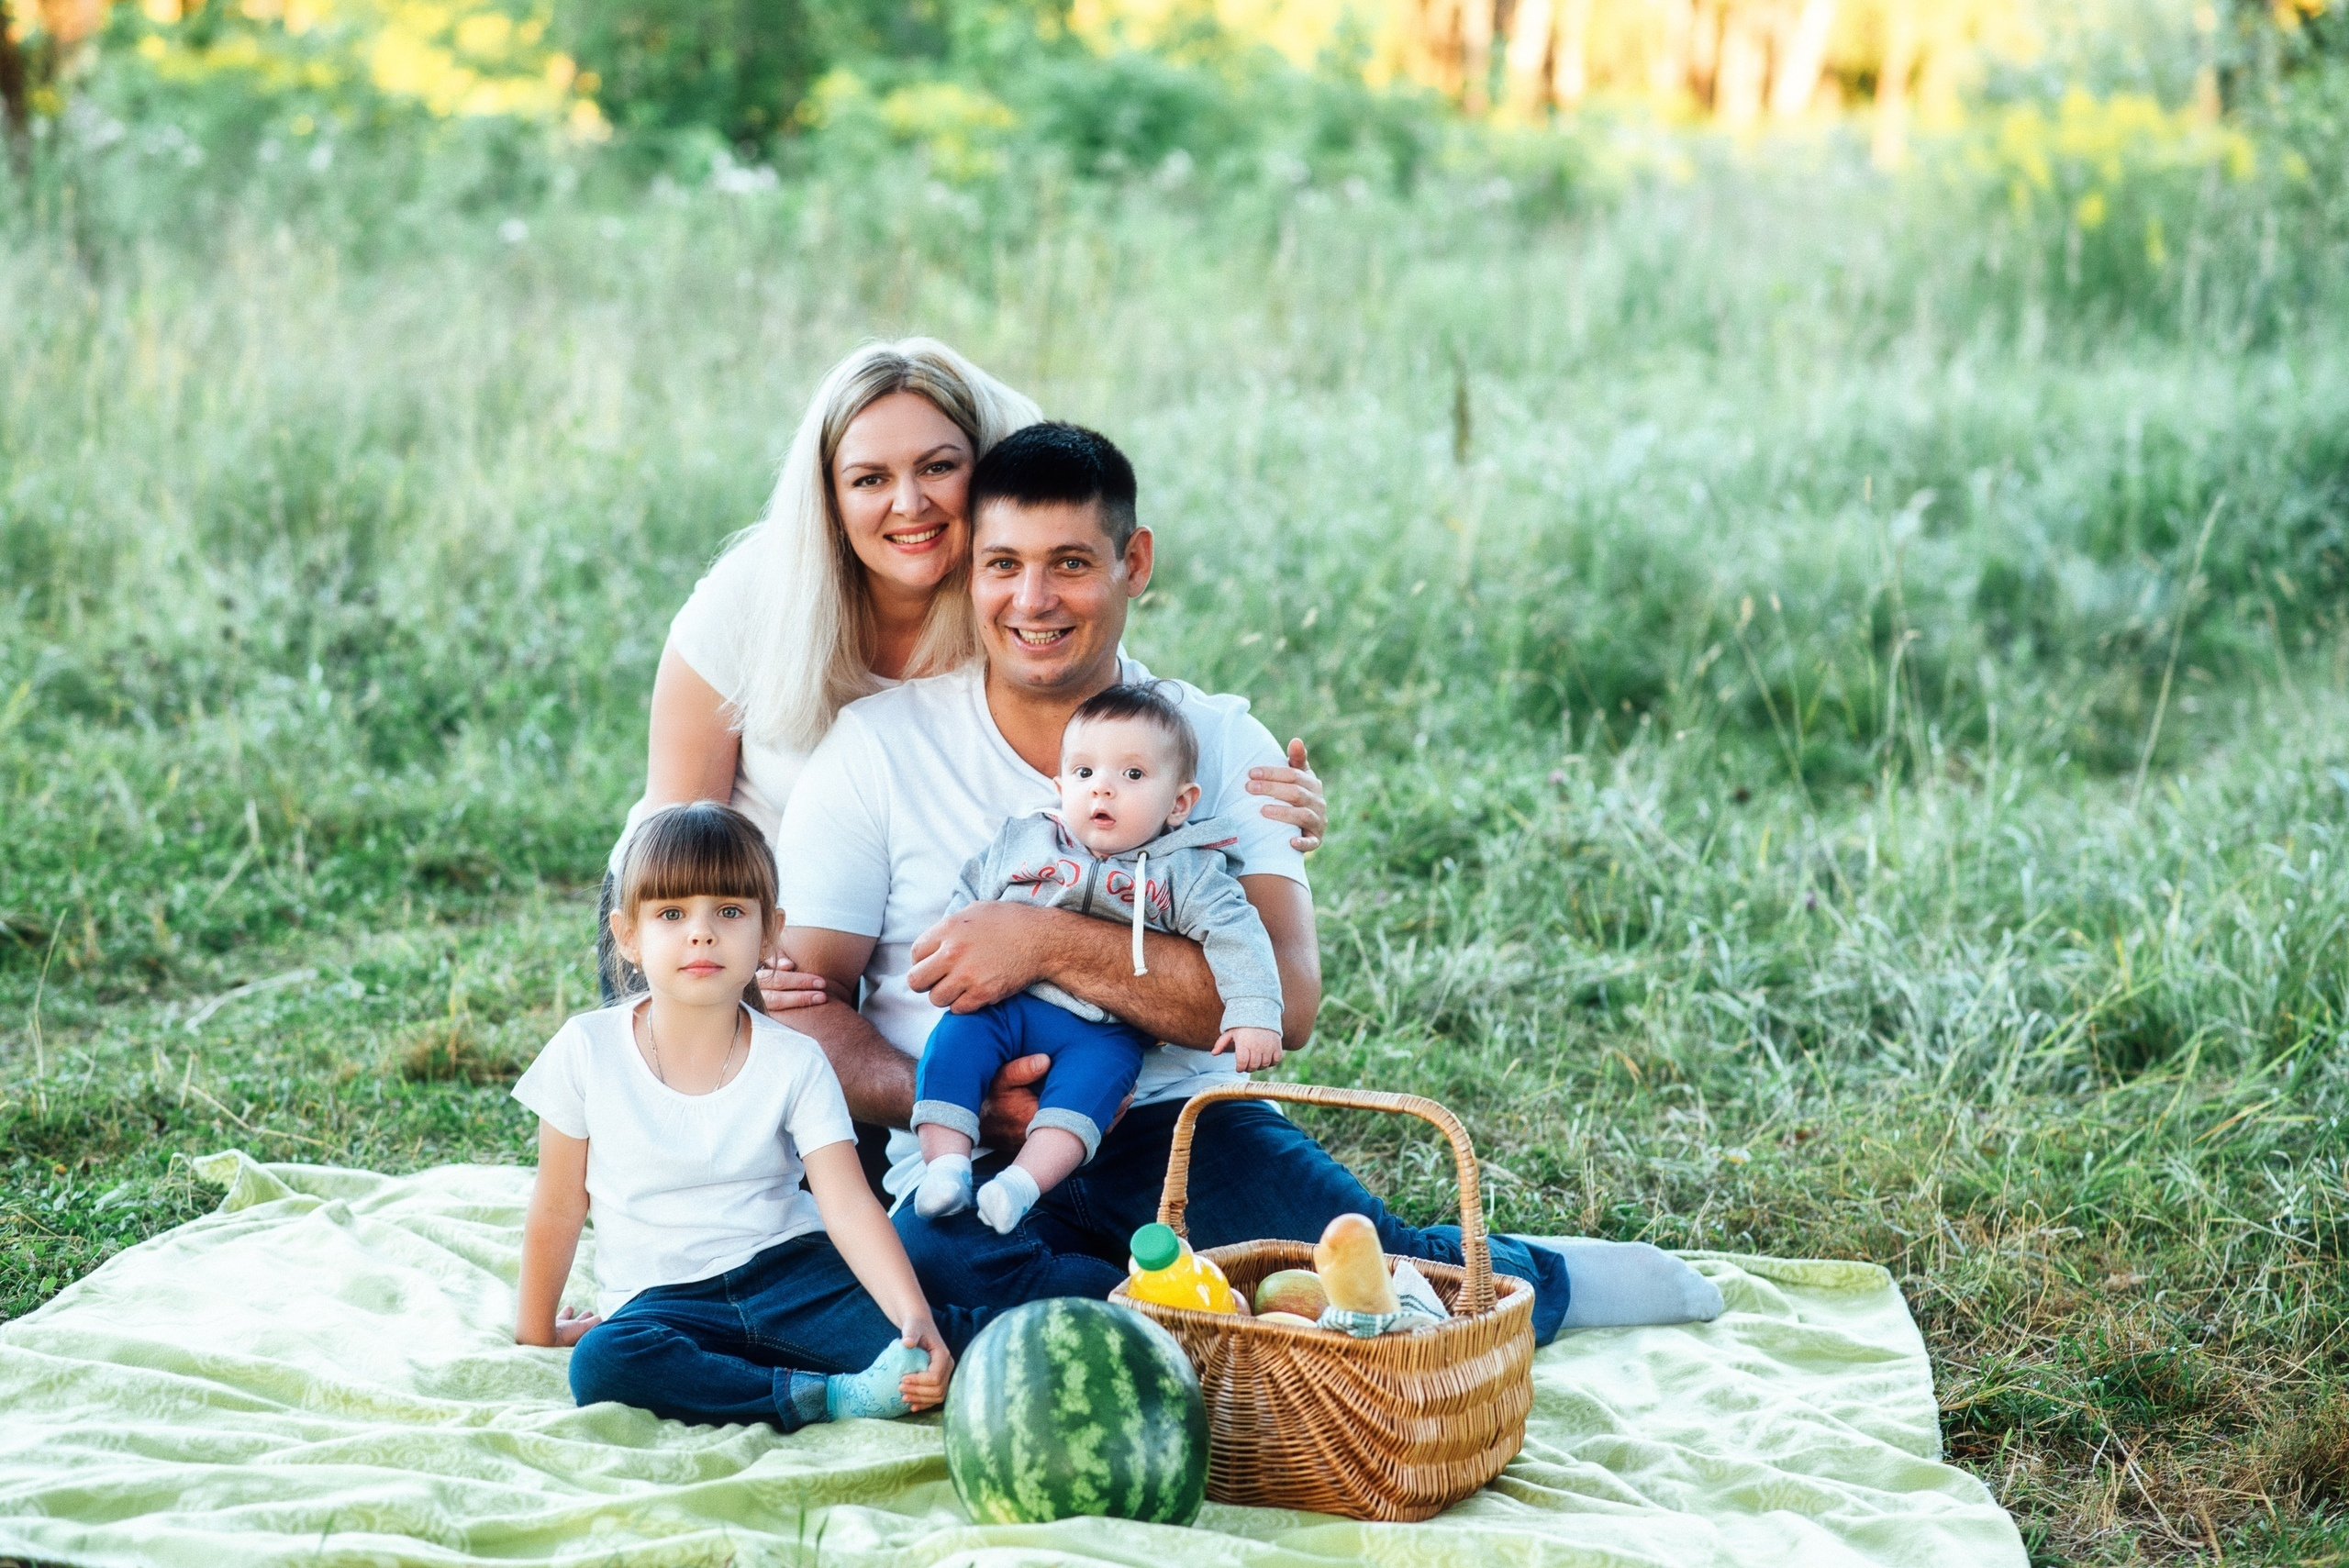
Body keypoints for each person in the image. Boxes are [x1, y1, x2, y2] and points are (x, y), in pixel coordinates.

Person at [774, 421, 1726, 1342]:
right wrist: (965, 1100)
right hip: (966, 1144)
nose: (1034, 598)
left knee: (1376, 1298)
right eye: (1003, 564)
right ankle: (1179, 1325)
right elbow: (808, 1008)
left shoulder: (1220, 744)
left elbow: (1290, 999)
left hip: (1177, 1123)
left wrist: (1044, 939)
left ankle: (1534, 1275)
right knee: (941, 1271)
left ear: (1132, 563)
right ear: (970, 568)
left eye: (1070, 562)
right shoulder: (878, 751)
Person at [597, 338, 1330, 1193]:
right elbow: (680, 836)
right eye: (869, 477)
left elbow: (1103, 682)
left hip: (925, 987)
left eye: (939, 467)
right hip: (709, 913)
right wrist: (750, 955)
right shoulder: (758, 601)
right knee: (744, 1196)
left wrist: (1235, 780)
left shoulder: (1010, 600)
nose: (909, 503)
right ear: (829, 499)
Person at [516, 801, 985, 1429]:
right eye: (672, 913)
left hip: (791, 1276)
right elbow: (557, 1202)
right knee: (604, 1363)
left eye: (730, 912)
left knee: (937, 1349)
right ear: (628, 935)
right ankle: (827, 1395)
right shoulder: (586, 1050)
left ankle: (1093, 1325)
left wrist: (914, 1315)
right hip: (663, 1303)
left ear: (770, 933)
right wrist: (536, 1327)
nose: (702, 933)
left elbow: (846, 1204)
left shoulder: (796, 1058)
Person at [911, 681, 1285, 1235]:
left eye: (1132, 776)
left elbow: (1238, 934)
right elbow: (969, 902)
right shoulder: (1027, 843)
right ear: (1061, 786)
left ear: (1180, 803)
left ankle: (1020, 1186)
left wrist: (1253, 1012)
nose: (1102, 791)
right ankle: (945, 1167)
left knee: (1097, 1086)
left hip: (1105, 1029)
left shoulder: (1187, 872)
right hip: (1009, 1006)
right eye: (1085, 774)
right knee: (951, 1046)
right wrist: (956, 947)